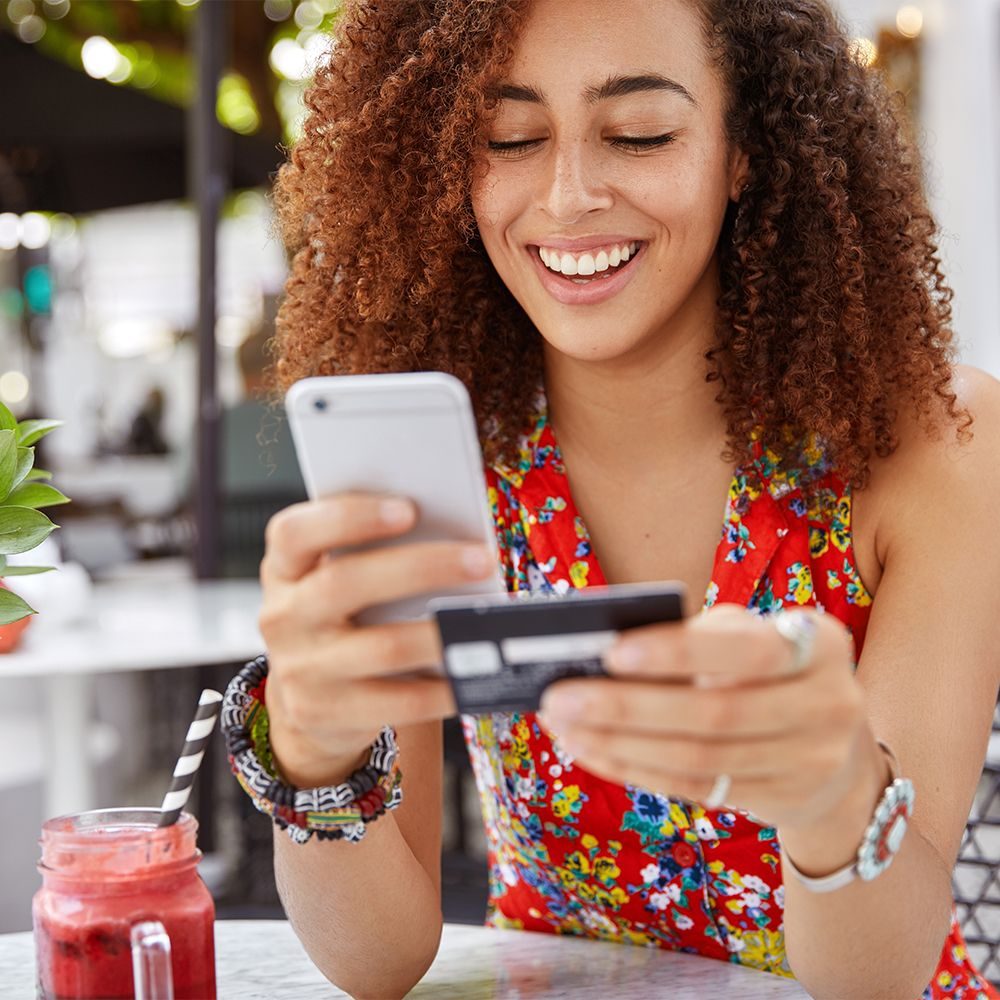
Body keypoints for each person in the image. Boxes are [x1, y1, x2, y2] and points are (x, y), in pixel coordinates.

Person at [230, 2, 1000, 997]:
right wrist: (312, 750)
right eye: (508, 139)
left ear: (743, 149)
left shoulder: (936, 440)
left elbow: (879, 975)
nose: (567, 195)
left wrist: (835, 793)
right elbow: (379, 961)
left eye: (639, 133)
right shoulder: (440, 448)